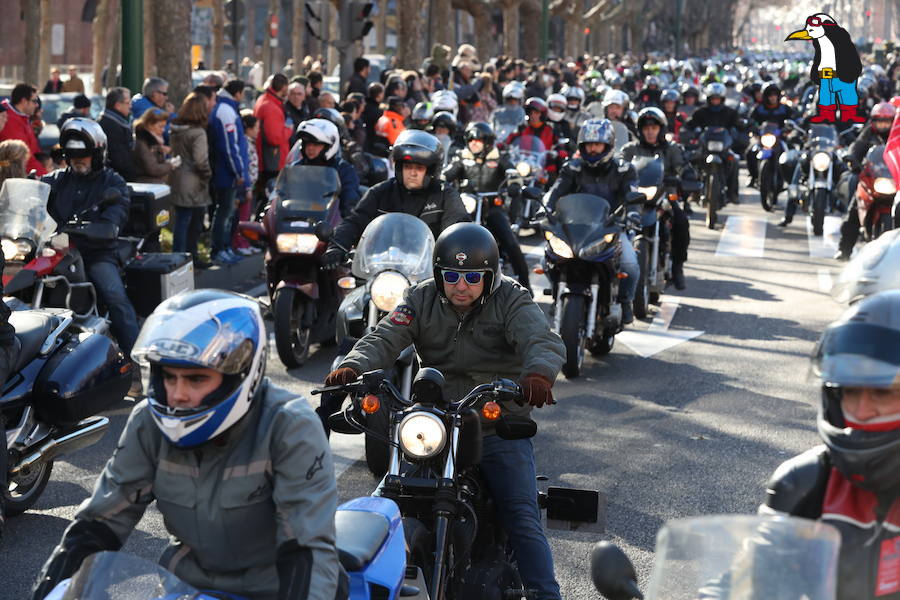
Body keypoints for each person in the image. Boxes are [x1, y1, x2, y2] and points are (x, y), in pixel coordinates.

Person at [31, 289, 345, 600]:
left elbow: (307, 551)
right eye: (169, 377)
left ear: (241, 373)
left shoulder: (289, 425)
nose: (177, 394)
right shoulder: (149, 423)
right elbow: (99, 523)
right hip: (188, 589)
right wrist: (48, 591)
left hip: (278, 590)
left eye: (196, 379)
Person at [324, 223, 565, 600]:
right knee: (381, 502)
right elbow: (386, 336)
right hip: (434, 421)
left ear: (489, 276)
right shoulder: (420, 298)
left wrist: (537, 374)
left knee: (521, 514)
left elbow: (541, 339)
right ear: (438, 274)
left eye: (472, 276)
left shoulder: (512, 299)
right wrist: (353, 366)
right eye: (451, 275)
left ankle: (547, 594)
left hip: (494, 424)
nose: (461, 285)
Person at [692, 290, 900, 600]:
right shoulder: (808, 482)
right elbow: (750, 577)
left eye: (882, 393)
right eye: (849, 392)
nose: (860, 411)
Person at [41, 118, 140, 394]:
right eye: (71, 155)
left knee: (115, 296)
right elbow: (32, 196)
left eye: (82, 155)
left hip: (96, 254)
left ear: (97, 154)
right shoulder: (58, 180)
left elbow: (113, 223)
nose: (76, 160)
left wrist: (86, 230)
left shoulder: (113, 182)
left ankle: (136, 366)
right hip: (54, 253)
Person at [320, 129, 469, 268]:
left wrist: (456, 253)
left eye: (419, 168)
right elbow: (355, 221)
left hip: (427, 273)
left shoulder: (445, 195)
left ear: (430, 171)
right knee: (351, 295)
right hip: (381, 269)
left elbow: (457, 227)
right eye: (408, 167)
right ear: (399, 168)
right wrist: (336, 247)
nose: (413, 173)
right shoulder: (381, 192)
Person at [545, 118, 640, 323]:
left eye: (598, 144)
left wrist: (633, 214)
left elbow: (632, 194)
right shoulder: (573, 168)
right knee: (548, 257)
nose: (594, 149)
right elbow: (555, 191)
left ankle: (624, 301)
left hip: (610, 229)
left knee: (630, 265)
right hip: (575, 229)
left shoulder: (623, 169)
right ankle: (556, 295)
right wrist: (543, 210)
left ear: (608, 145)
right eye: (589, 144)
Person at [443, 121, 532, 292]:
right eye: (470, 140)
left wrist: (514, 182)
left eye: (478, 140)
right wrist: (439, 179)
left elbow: (512, 172)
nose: (473, 143)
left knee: (510, 241)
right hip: (467, 207)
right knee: (445, 236)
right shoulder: (462, 158)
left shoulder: (498, 158)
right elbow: (448, 173)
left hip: (491, 207)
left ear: (488, 142)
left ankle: (525, 283)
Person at [620, 107, 694, 290]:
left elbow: (682, 166)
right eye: (646, 128)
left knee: (682, 221)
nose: (650, 131)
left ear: (661, 129)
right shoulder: (630, 149)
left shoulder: (671, 149)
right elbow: (619, 165)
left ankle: (677, 265)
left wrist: (685, 176)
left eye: (654, 127)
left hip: (664, 196)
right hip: (635, 198)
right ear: (640, 130)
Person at [834, 101, 896, 259]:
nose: (883, 125)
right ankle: (844, 248)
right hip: (871, 178)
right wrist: (852, 159)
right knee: (854, 209)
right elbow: (857, 146)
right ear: (873, 121)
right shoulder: (868, 133)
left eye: (886, 121)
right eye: (879, 121)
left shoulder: (897, 135)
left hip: (894, 179)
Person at [210, 79, 251, 265]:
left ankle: (225, 247)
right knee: (224, 213)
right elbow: (229, 146)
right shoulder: (226, 111)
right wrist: (239, 172)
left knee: (228, 212)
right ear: (238, 93)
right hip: (227, 174)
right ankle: (219, 249)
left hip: (228, 172)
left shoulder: (226, 109)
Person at [169, 93, 212, 269]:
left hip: (177, 178)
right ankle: (189, 257)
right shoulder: (198, 133)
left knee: (182, 221)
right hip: (194, 181)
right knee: (191, 223)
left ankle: (180, 257)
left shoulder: (176, 130)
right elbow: (200, 160)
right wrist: (208, 174)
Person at [290, 118, 361, 218]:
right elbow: (283, 195)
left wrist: (347, 222)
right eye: (307, 143)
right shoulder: (296, 168)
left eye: (316, 144)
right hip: (297, 220)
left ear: (329, 145)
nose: (310, 148)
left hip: (329, 224)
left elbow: (350, 199)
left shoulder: (343, 170)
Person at [684, 82, 740, 204]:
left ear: (722, 99)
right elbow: (689, 125)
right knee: (691, 160)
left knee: (735, 161)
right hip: (705, 148)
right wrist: (689, 132)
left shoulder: (730, 113)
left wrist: (743, 130)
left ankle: (732, 193)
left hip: (724, 148)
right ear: (709, 99)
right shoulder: (700, 112)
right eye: (713, 98)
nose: (715, 101)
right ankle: (694, 192)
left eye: (718, 98)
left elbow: (739, 125)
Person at [747, 83, 798, 189]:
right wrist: (754, 128)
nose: (772, 97)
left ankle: (790, 182)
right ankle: (753, 177)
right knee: (749, 152)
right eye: (770, 95)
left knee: (792, 155)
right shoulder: (759, 108)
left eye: (775, 95)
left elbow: (795, 118)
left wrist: (788, 128)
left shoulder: (785, 109)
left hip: (780, 138)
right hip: (762, 138)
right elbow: (750, 120)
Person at [254, 73, 292, 193]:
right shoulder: (271, 107)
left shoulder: (265, 100)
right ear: (284, 88)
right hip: (273, 162)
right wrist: (289, 129)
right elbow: (274, 138)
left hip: (268, 160)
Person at [0, 84, 46, 175]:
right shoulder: (10, 120)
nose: (37, 105)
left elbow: (34, 150)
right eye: (34, 101)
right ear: (24, 101)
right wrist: (46, 176)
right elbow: (24, 157)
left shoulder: (22, 118)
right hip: (16, 177)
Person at [97, 87, 140, 182]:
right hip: (117, 180)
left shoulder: (117, 122)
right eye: (128, 103)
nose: (130, 106)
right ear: (118, 105)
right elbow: (120, 159)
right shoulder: (110, 126)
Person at [132, 108, 177, 184]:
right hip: (148, 185)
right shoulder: (143, 143)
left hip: (153, 184)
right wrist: (170, 165)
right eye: (160, 126)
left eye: (164, 126)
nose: (163, 130)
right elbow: (153, 169)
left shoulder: (152, 142)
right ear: (149, 125)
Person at [284, 82, 309, 147]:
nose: (296, 97)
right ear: (288, 96)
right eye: (293, 93)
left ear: (304, 96)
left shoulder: (306, 109)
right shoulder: (285, 110)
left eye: (299, 94)